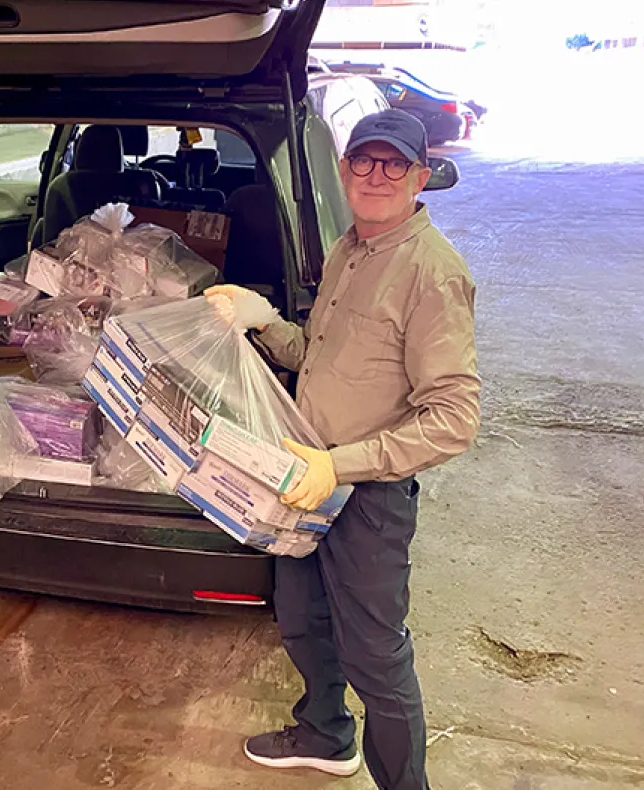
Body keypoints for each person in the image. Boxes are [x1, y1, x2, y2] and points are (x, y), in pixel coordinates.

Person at [207, 108, 480, 789]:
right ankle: (326, 736)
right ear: (343, 171)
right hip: (305, 480)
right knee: (301, 619)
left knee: (377, 660)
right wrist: (265, 322)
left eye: (394, 165)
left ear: (420, 177)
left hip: (368, 497)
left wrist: (340, 463)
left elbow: (453, 417)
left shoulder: (432, 273)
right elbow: (322, 358)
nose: (377, 176)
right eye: (364, 160)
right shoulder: (347, 247)